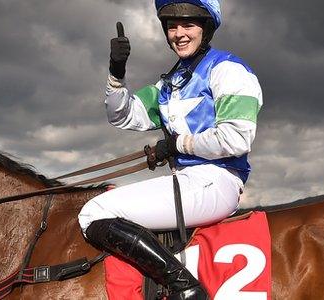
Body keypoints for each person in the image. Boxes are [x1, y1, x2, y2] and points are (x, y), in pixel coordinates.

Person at [78, 0, 263, 299]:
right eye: (172, 26)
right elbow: (121, 115)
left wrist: (178, 144)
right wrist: (116, 72)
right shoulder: (169, 84)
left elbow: (236, 138)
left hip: (217, 181)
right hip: (189, 183)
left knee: (94, 212)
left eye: (188, 24)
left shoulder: (228, 69)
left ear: (206, 28)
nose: (179, 33)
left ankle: (186, 288)